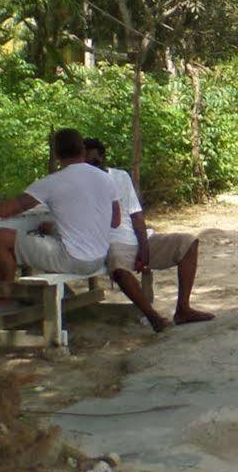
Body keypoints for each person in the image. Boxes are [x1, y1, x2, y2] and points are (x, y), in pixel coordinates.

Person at [83, 137, 213, 331]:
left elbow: (137, 215)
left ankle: (183, 309)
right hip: (114, 244)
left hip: (140, 237)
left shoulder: (119, 177)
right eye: (87, 163)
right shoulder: (79, 184)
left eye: (95, 161)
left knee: (188, 242)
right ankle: (154, 318)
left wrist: (143, 248)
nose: (93, 166)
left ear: (102, 158)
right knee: (119, 267)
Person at [0, 128, 121, 293]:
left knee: (1, 238)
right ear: (83, 150)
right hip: (99, 257)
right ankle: (50, 297)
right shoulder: (106, 178)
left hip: (74, 259)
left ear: (56, 154)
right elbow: (116, 221)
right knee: (46, 227)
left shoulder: (52, 182)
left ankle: (5, 297)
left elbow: (6, 210)